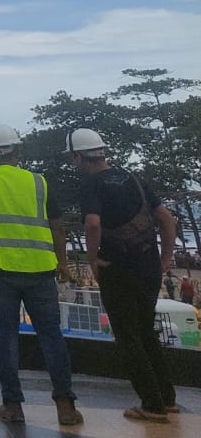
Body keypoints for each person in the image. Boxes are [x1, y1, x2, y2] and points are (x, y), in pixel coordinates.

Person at [0, 124, 82, 428]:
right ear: (17, 150)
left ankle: (12, 405)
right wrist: (62, 263)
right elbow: (57, 225)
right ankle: (65, 406)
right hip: (40, 269)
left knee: (7, 335)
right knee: (51, 335)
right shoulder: (38, 182)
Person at [65, 128, 180, 422]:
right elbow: (166, 218)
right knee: (146, 331)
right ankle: (167, 399)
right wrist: (165, 258)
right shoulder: (133, 178)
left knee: (128, 337)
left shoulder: (91, 184)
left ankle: (151, 405)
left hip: (118, 268)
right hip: (148, 265)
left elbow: (92, 224)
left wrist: (93, 260)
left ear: (79, 157)